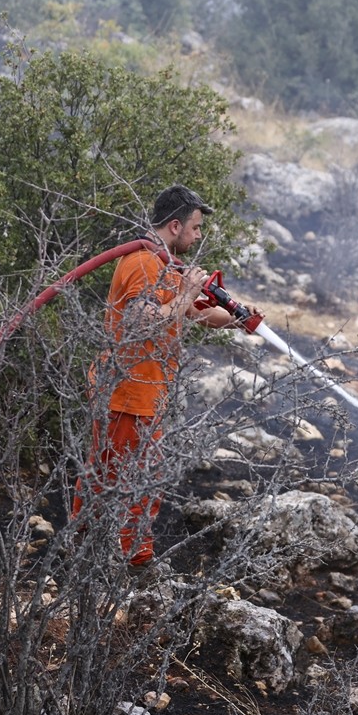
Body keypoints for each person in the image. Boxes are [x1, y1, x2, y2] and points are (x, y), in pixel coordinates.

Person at [71, 184, 260, 568]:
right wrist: (188, 292)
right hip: (127, 392)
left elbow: (194, 314)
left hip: (139, 392)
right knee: (129, 479)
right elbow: (143, 322)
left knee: (112, 474)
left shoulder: (163, 263)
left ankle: (86, 554)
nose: (199, 234)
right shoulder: (143, 263)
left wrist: (238, 318)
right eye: (195, 227)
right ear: (175, 225)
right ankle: (130, 563)